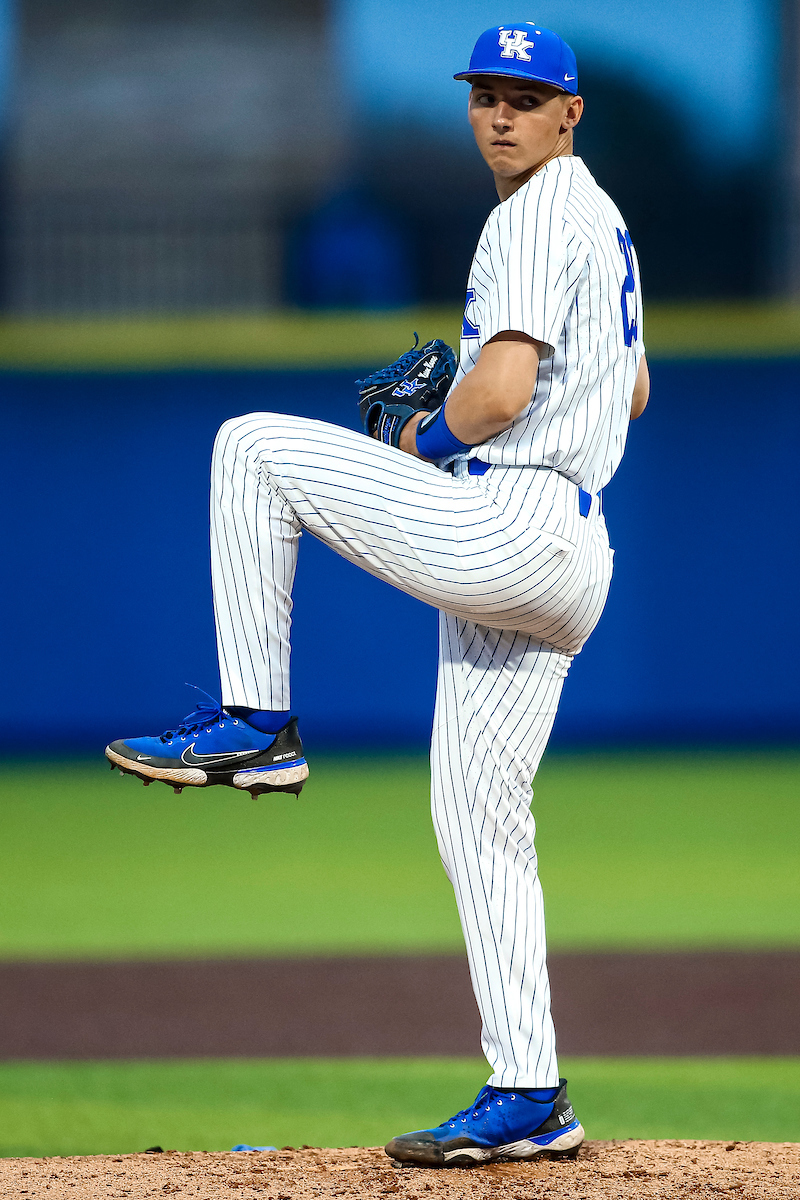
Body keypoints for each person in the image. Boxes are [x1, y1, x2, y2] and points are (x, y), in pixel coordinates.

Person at [106, 21, 648, 1169]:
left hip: (510, 520)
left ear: (568, 112)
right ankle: (529, 1091)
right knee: (478, 820)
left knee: (251, 446)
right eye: (483, 96)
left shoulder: (529, 214)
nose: (498, 115)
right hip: (573, 558)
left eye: (523, 95)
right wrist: (491, 404)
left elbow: (499, 393)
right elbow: (631, 387)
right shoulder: (600, 221)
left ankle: (256, 724)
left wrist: (422, 430)